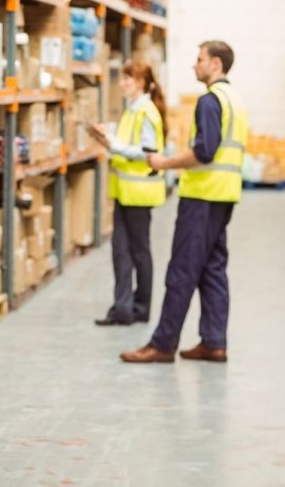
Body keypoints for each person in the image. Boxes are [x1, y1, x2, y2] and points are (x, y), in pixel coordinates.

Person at [119, 41, 247, 364]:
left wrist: (164, 163)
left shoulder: (210, 101)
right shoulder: (235, 99)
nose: (194, 65)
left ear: (215, 64)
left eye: (199, 59)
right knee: (212, 270)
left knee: (181, 271)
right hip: (223, 196)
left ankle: (162, 344)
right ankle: (214, 342)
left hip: (202, 198)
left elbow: (204, 152)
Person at [94, 61, 167, 327]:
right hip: (125, 191)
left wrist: (114, 145)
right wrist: (108, 134)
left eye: (129, 78)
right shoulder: (133, 110)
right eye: (123, 78)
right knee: (120, 251)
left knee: (139, 251)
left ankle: (141, 307)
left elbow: (147, 151)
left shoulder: (146, 111)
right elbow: (129, 139)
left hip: (140, 192)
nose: (123, 83)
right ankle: (122, 309)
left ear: (141, 83)